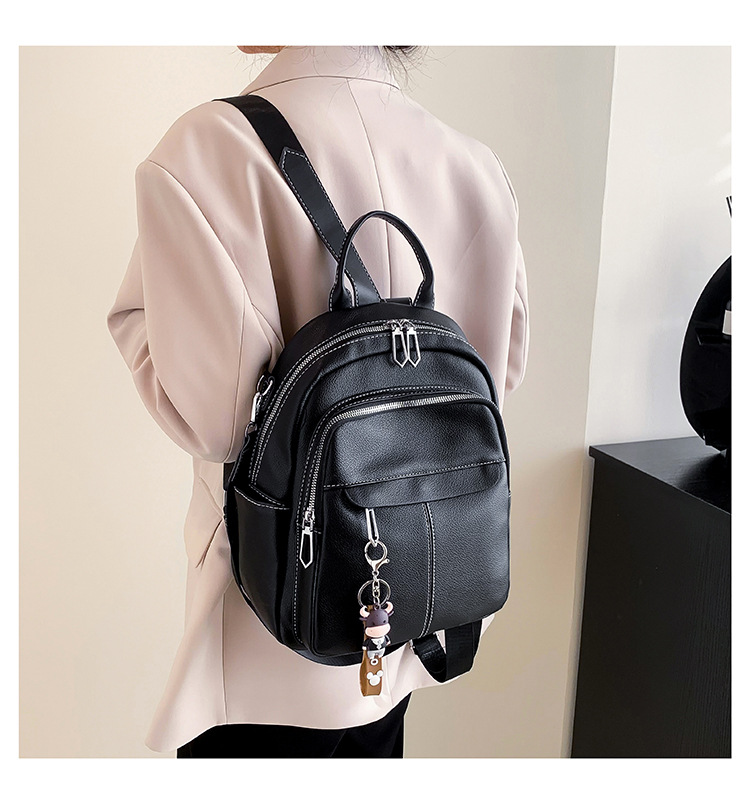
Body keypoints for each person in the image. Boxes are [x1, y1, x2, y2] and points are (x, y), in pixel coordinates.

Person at [106, 45, 530, 758]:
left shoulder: (207, 151)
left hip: (268, 643)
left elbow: (213, 421)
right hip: (411, 621)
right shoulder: (476, 166)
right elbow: (500, 374)